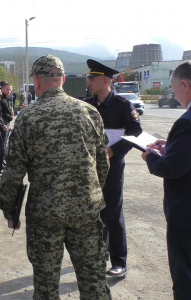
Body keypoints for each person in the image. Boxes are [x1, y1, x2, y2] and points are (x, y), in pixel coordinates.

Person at [0, 54, 112, 300]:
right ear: (61, 79)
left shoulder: (28, 117)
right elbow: (102, 164)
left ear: (36, 82)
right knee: (94, 280)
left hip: (45, 213)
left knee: (46, 285)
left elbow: (13, 171)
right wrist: (91, 193)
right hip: (86, 210)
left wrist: (10, 210)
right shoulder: (89, 112)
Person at [84, 59, 142, 278]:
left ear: (105, 81)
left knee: (113, 213)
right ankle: (98, 256)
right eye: (89, 78)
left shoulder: (123, 105)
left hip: (112, 165)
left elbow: (136, 133)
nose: (89, 82)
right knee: (94, 212)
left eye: (93, 79)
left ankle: (119, 260)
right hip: (90, 166)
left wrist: (113, 151)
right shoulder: (87, 104)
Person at [142, 62, 191, 299]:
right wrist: (170, 145)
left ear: (184, 85)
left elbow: (171, 168)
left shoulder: (187, 121)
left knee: (185, 277)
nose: (174, 95)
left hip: (186, 216)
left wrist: (149, 156)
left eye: (174, 89)